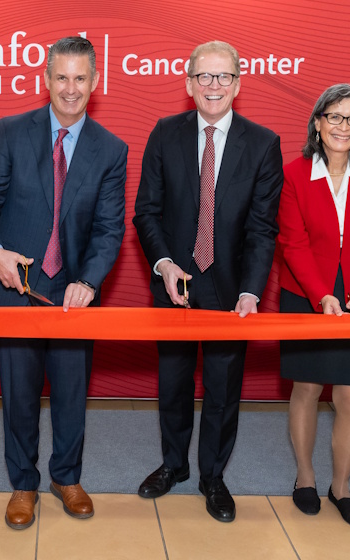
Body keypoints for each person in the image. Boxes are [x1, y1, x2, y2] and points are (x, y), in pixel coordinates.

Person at [0, 36, 127, 530]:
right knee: (18, 391)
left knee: (72, 392)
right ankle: (23, 483)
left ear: (95, 82)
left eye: (81, 78)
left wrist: (91, 281)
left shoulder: (111, 148)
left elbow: (109, 228)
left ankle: (67, 477)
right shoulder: (12, 131)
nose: (71, 88)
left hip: (72, 294)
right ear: (46, 80)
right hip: (15, 289)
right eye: (62, 77)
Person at [132, 40, 283, 523]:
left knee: (222, 390)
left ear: (238, 84)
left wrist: (250, 290)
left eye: (223, 77)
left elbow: (263, 228)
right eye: (204, 76)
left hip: (230, 291)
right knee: (173, 384)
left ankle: (212, 476)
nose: (213, 86)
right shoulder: (164, 133)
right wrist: (163, 264)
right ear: (188, 83)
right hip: (174, 286)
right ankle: (173, 465)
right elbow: (146, 212)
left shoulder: (262, 143)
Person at [276, 84, 350, 528]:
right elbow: (292, 242)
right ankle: (305, 477)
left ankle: (341, 487)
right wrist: (320, 294)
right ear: (318, 122)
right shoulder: (293, 174)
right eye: (335, 117)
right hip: (307, 294)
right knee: (306, 389)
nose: (344, 126)